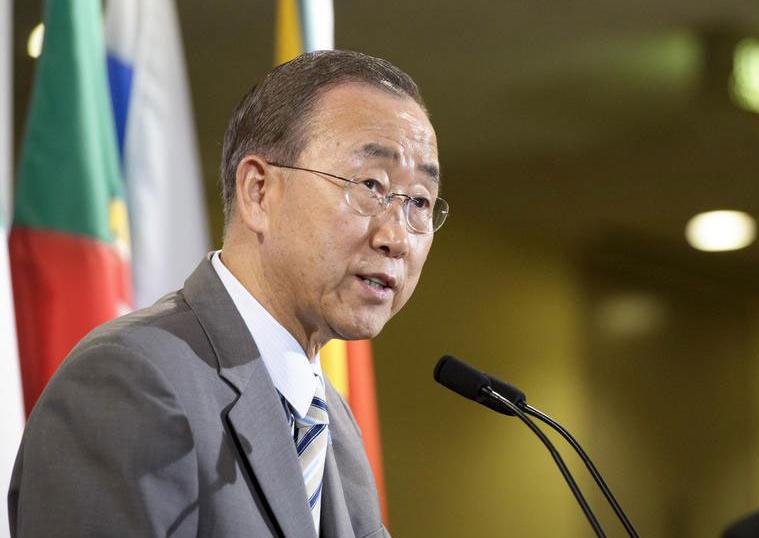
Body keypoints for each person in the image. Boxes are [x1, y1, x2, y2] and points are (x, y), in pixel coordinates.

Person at [8, 49, 448, 538]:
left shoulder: (333, 423)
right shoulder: (129, 382)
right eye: (370, 185)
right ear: (258, 191)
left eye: (419, 202)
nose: (397, 236)